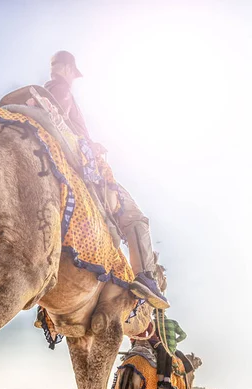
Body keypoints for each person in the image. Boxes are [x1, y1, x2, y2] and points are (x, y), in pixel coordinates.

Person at [44, 50, 169, 310]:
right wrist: (90, 145)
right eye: (73, 73)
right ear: (68, 69)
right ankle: (145, 275)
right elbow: (60, 118)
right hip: (85, 165)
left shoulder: (44, 90)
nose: (73, 78)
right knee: (136, 218)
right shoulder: (62, 90)